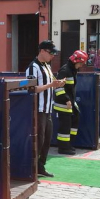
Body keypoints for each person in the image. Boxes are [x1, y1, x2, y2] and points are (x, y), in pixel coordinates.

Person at [26, 40, 66, 178]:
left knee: (47, 139)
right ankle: (32, 168)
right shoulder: (33, 67)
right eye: (51, 53)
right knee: (39, 139)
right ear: (42, 51)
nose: (53, 56)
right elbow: (31, 89)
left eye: (54, 53)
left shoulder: (47, 66)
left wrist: (58, 84)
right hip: (38, 109)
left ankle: (40, 166)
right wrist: (51, 85)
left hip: (48, 108)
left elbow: (50, 84)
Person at [54, 50, 88, 155]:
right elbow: (58, 87)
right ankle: (63, 148)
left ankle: (68, 144)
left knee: (74, 121)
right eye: (81, 63)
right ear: (75, 61)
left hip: (70, 102)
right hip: (63, 104)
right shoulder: (65, 70)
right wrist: (66, 100)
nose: (82, 65)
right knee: (65, 126)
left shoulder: (72, 70)